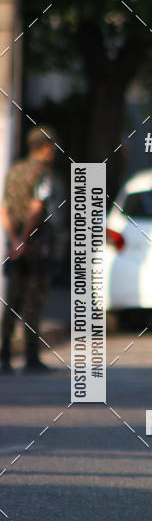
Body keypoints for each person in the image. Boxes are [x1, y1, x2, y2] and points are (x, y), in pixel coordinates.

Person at [1, 126, 57, 373]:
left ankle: (3, 358)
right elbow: (36, 208)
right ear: (46, 148)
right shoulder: (42, 174)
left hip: (13, 246)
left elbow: (3, 207)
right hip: (34, 246)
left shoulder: (13, 171)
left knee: (12, 301)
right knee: (34, 300)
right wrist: (24, 239)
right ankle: (32, 357)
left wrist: (13, 239)